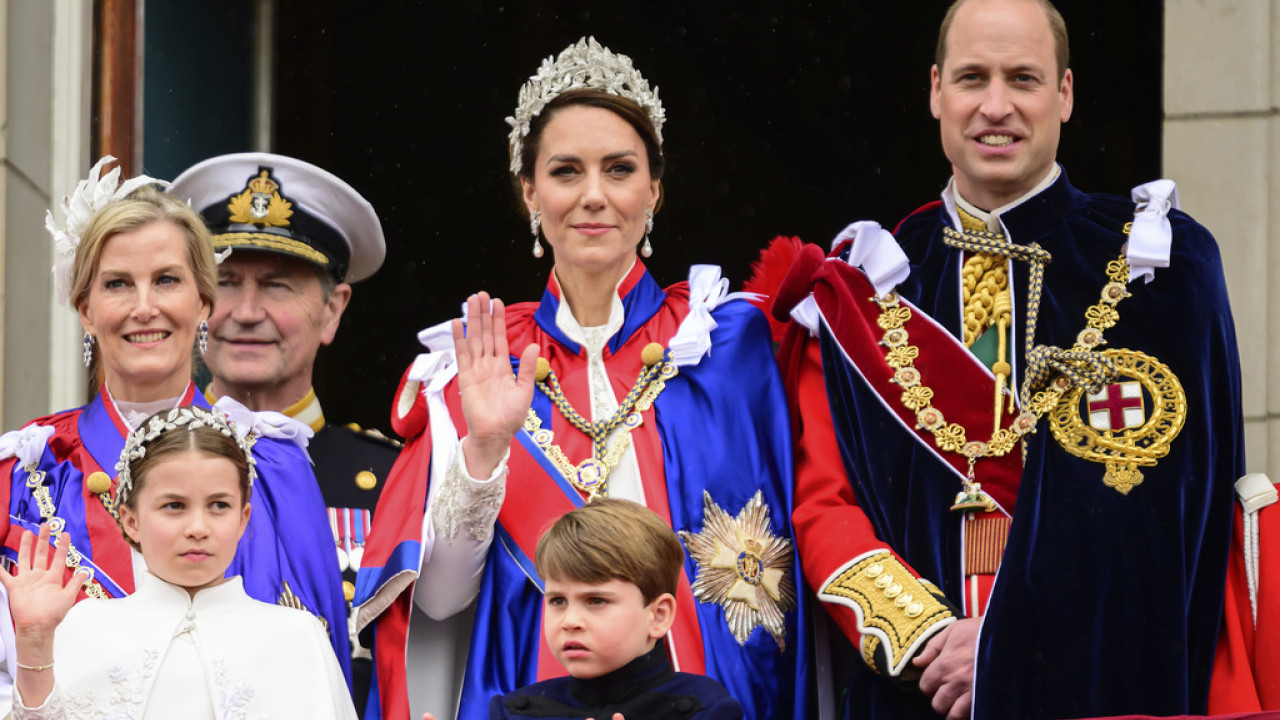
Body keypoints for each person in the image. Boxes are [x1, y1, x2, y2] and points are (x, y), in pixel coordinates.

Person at [766, 1, 1243, 718]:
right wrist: (928, 639)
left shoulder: (1164, 269)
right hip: (920, 692)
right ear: (936, 92)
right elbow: (824, 506)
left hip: (1099, 688)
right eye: (972, 78)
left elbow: (1169, 522)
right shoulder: (862, 290)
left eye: (1023, 78)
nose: (996, 106)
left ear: (1065, 94)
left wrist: (1009, 648)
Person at [356, 37, 809, 720]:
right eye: (566, 172)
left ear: (653, 190)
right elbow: (439, 606)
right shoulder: (475, 363)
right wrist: (485, 449)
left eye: (619, 169)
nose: (593, 196)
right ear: (530, 193)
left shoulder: (729, 347)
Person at [0, 158, 351, 699]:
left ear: (204, 302)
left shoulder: (275, 467)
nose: (145, 308)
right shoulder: (24, 476)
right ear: (85, 309)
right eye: (118, 284)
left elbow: (319, 681)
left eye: (166, 280)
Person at [171, 152, 402, 713]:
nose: (247, 311)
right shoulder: (140, 461)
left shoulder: (395, 481)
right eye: (226, 283)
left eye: (277, 286)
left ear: (332, 311)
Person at [0, 405, 356, 718]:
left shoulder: (297, 637)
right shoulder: (86, 626)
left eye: (219, 505)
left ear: (243, 518)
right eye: (174, 506)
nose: (198, 528)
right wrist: (34, 642)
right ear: (131, 520)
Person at [483, 499, 741, 720]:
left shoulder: (704, 710)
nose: (570, 621)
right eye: (558, 601)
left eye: (596, 601)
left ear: (658, 616)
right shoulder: (515, 712)